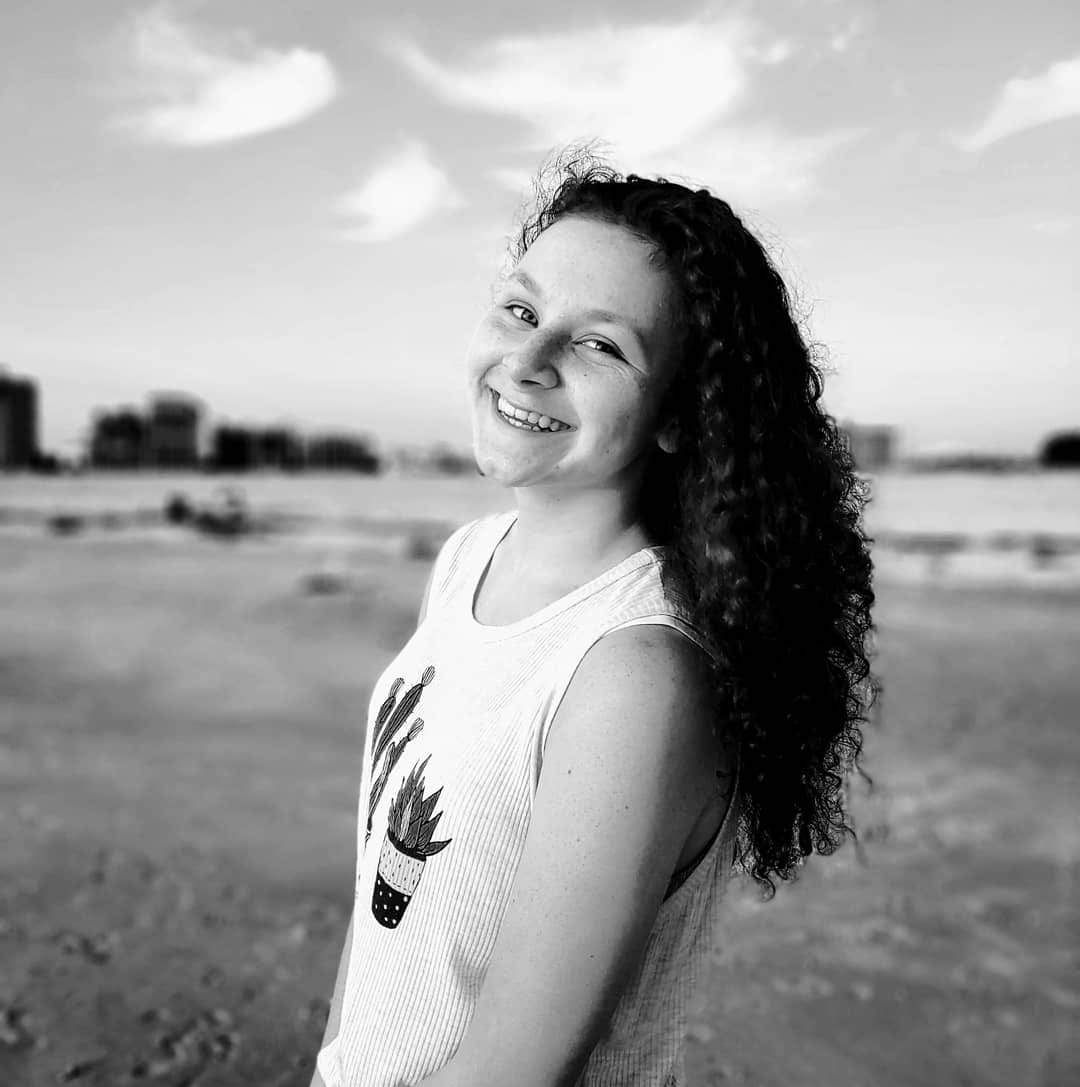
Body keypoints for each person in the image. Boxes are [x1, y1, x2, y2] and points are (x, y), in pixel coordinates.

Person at [312, 149, 878, 1087]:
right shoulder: (466, 562)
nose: (526, 362)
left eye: (598, 345)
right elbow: (387, 921)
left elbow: (511, 1073)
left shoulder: (634, 676)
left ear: (676, 416)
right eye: (523, 311)